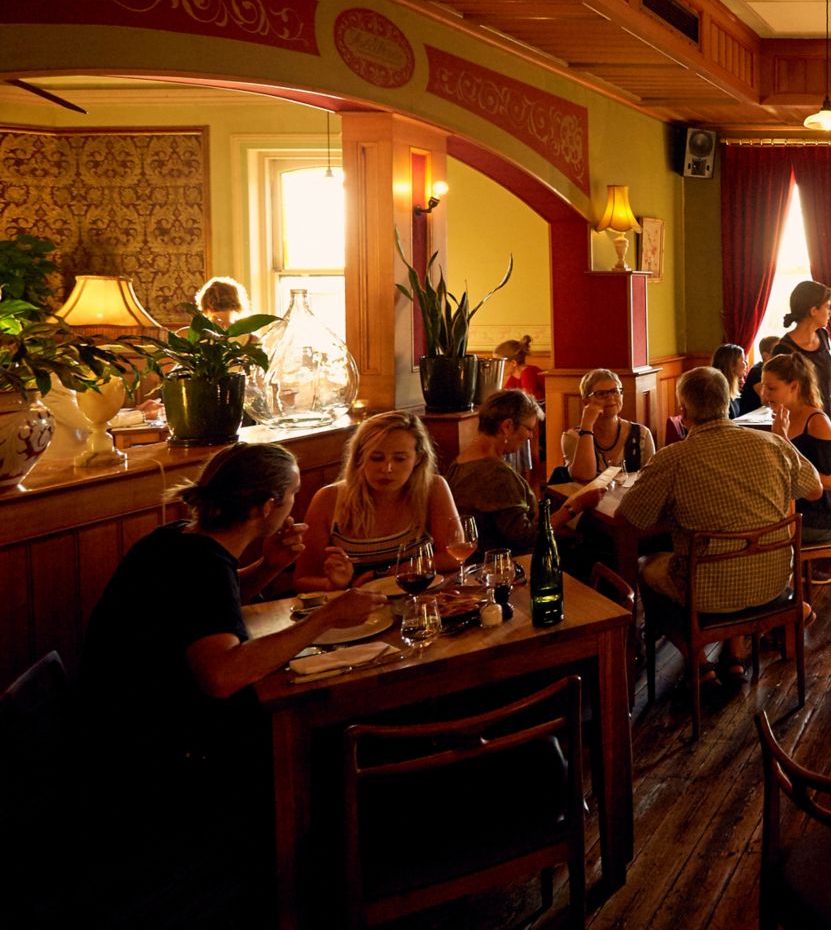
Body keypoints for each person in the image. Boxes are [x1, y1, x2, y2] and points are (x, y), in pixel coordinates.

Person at [77, 444, 381, 928]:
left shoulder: (178, 540)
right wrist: (325, 618)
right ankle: (305, 895)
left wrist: (270, 566)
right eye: (292, 497)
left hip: (107, 724)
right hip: (153, 754)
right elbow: (220, 676)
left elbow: (208, 609)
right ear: (266, 507)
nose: (294, 508)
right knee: (327, 740)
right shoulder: (198, 565)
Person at [619, 367, 822, 674]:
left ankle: (697, 661)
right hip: (774, 579)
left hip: (707, 591)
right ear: (728, 403)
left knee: (646, 564)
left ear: (684, 412)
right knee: (735, 549)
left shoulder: (673, 458)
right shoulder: (772, 445)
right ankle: (734, 653)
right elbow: (816, 489)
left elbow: (629, 518)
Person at [292, 411, 463, 591]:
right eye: (377, 458)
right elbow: (302, 580)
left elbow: (453, 556)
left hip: (421, 602)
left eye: (399, 459)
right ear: (360, 457)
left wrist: (386, 573)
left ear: (418, 459)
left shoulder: (432, 488)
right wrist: (334, 584)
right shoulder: (329, 499)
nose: (387, 468)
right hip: (357, 610)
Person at [450, 389, 603, 552]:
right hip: (504, 565)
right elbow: (526, 538)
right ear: (507, 426)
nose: (530, 436)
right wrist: (575, 506)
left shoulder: (459, 463)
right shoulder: (496, 473)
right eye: (529, 428)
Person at [759, 353, 831, 543]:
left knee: (758, 533)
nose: (764, 395)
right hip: (789, 509)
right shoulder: (782, 417)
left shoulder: (816, 421)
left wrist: (783, 442)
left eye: (771, 388)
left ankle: (791, 571)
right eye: (763, 387)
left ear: (794, 387)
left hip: (817, 517)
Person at [559, 368, 654, 484]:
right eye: (601, 394)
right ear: (586, 402)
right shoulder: (572, 437)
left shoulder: (642, 434)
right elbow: (584, 476)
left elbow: (652, 480)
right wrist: (587, 425)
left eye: (615, 391)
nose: (610, 397)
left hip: (633, 501)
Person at [773, 280, 831, 417]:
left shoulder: (823, 335)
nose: (830, 313)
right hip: (799, 423)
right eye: (827, 307)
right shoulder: (783, 349)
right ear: (814, 310)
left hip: (825, 418)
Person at [735, 335, 779, 416]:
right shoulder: (756, 371)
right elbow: (768, 398)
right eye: (777, 352)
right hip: (748, 418)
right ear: (766, 356)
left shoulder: (775, 372)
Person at [711, 343, 749, 418]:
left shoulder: (733, 389)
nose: (746, 364)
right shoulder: (718, 394)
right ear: (731, 365)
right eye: (743, 360)